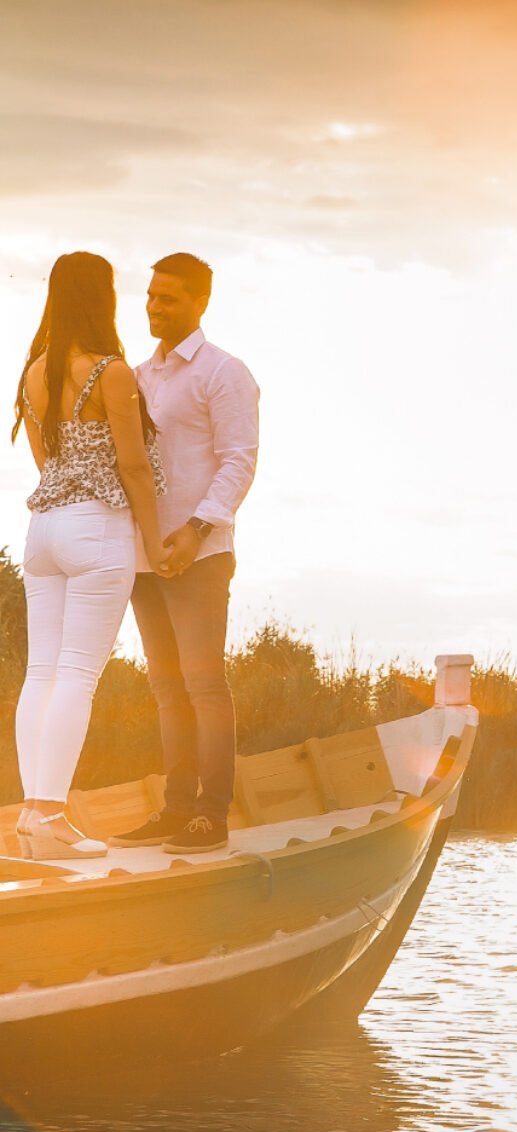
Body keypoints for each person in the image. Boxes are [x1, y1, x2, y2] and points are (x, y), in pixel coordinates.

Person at [12, 252, 170, 860]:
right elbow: (132, 465)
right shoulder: (111, 372)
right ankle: (51, 815)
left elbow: (46, 463)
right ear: (103, 297)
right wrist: (154, 541)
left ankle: (34, 812)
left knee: (42, 672)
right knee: (78, 673)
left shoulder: (34, 372)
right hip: (97, 526)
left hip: (44, 528)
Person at [110, 253, 259, 854]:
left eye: (167, 298)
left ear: (200, 302)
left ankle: (210, 815)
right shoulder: (139, 376)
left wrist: (196, 529)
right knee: (167, 689)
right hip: (146, 554)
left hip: (199, 552)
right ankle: (175, 811)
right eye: (149, 296)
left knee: (203, 684)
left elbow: (239, 461)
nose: (153, 306)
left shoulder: (225, 373)